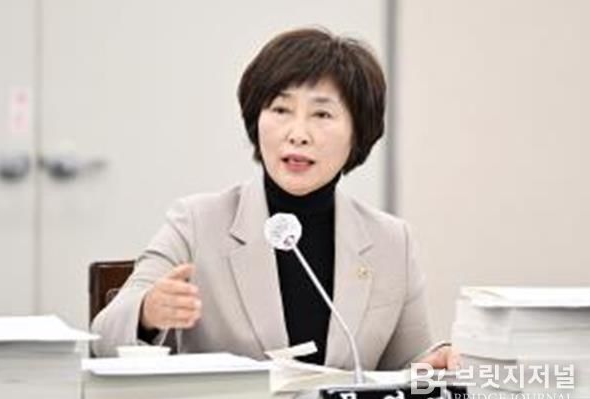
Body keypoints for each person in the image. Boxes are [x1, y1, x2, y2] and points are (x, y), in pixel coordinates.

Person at [91, 27, 458, 371]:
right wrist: (147, 313)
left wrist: (433, 365)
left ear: (358, 132)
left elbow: (405, 366)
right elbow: (104, 339)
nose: (298, 134)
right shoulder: (197, 223)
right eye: (281, 110)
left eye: (322, 114)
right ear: (257, 119)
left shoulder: (391, 241)